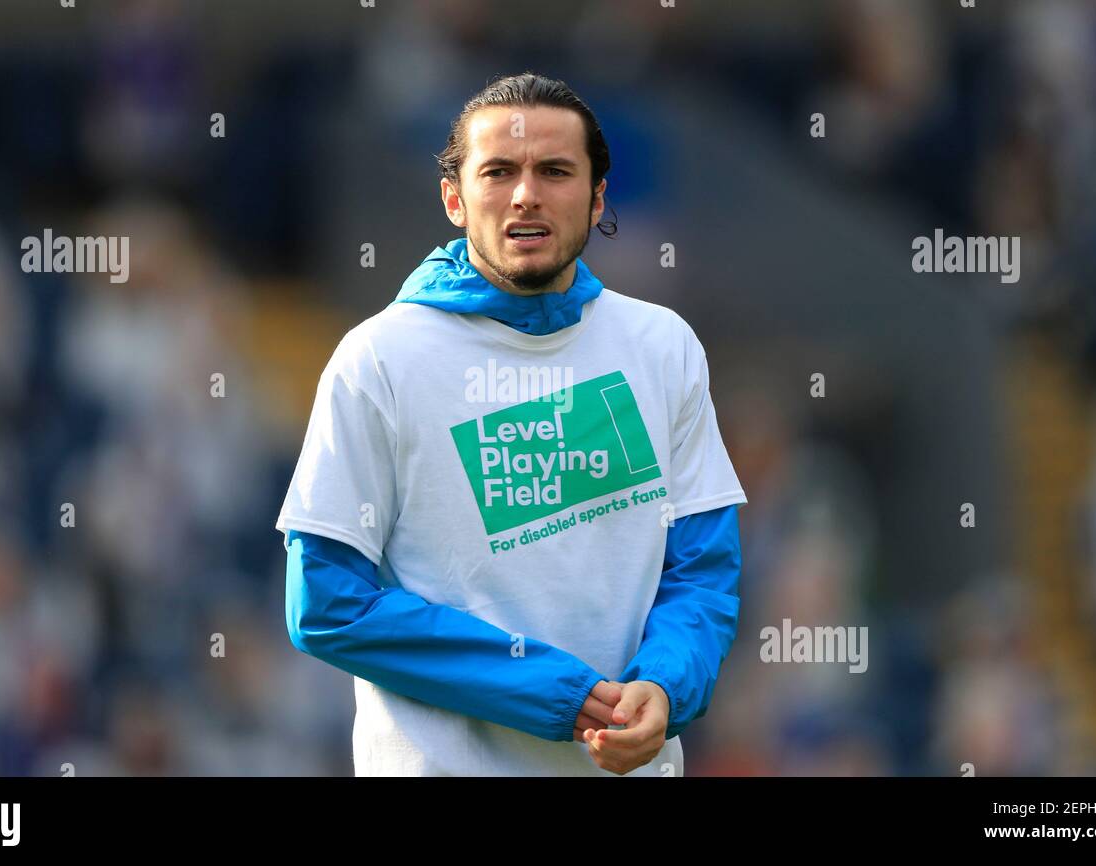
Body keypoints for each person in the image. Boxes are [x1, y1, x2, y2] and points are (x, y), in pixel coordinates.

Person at [276, 72, 747, 776]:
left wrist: (663, 685)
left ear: (596, 198)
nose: (526, 193)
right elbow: (325, 603)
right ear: (455, 199)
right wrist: (551, 690)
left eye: (555, 171)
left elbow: (702, 571)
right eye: (499, 171)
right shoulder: (378, 360)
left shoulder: (661, 346)